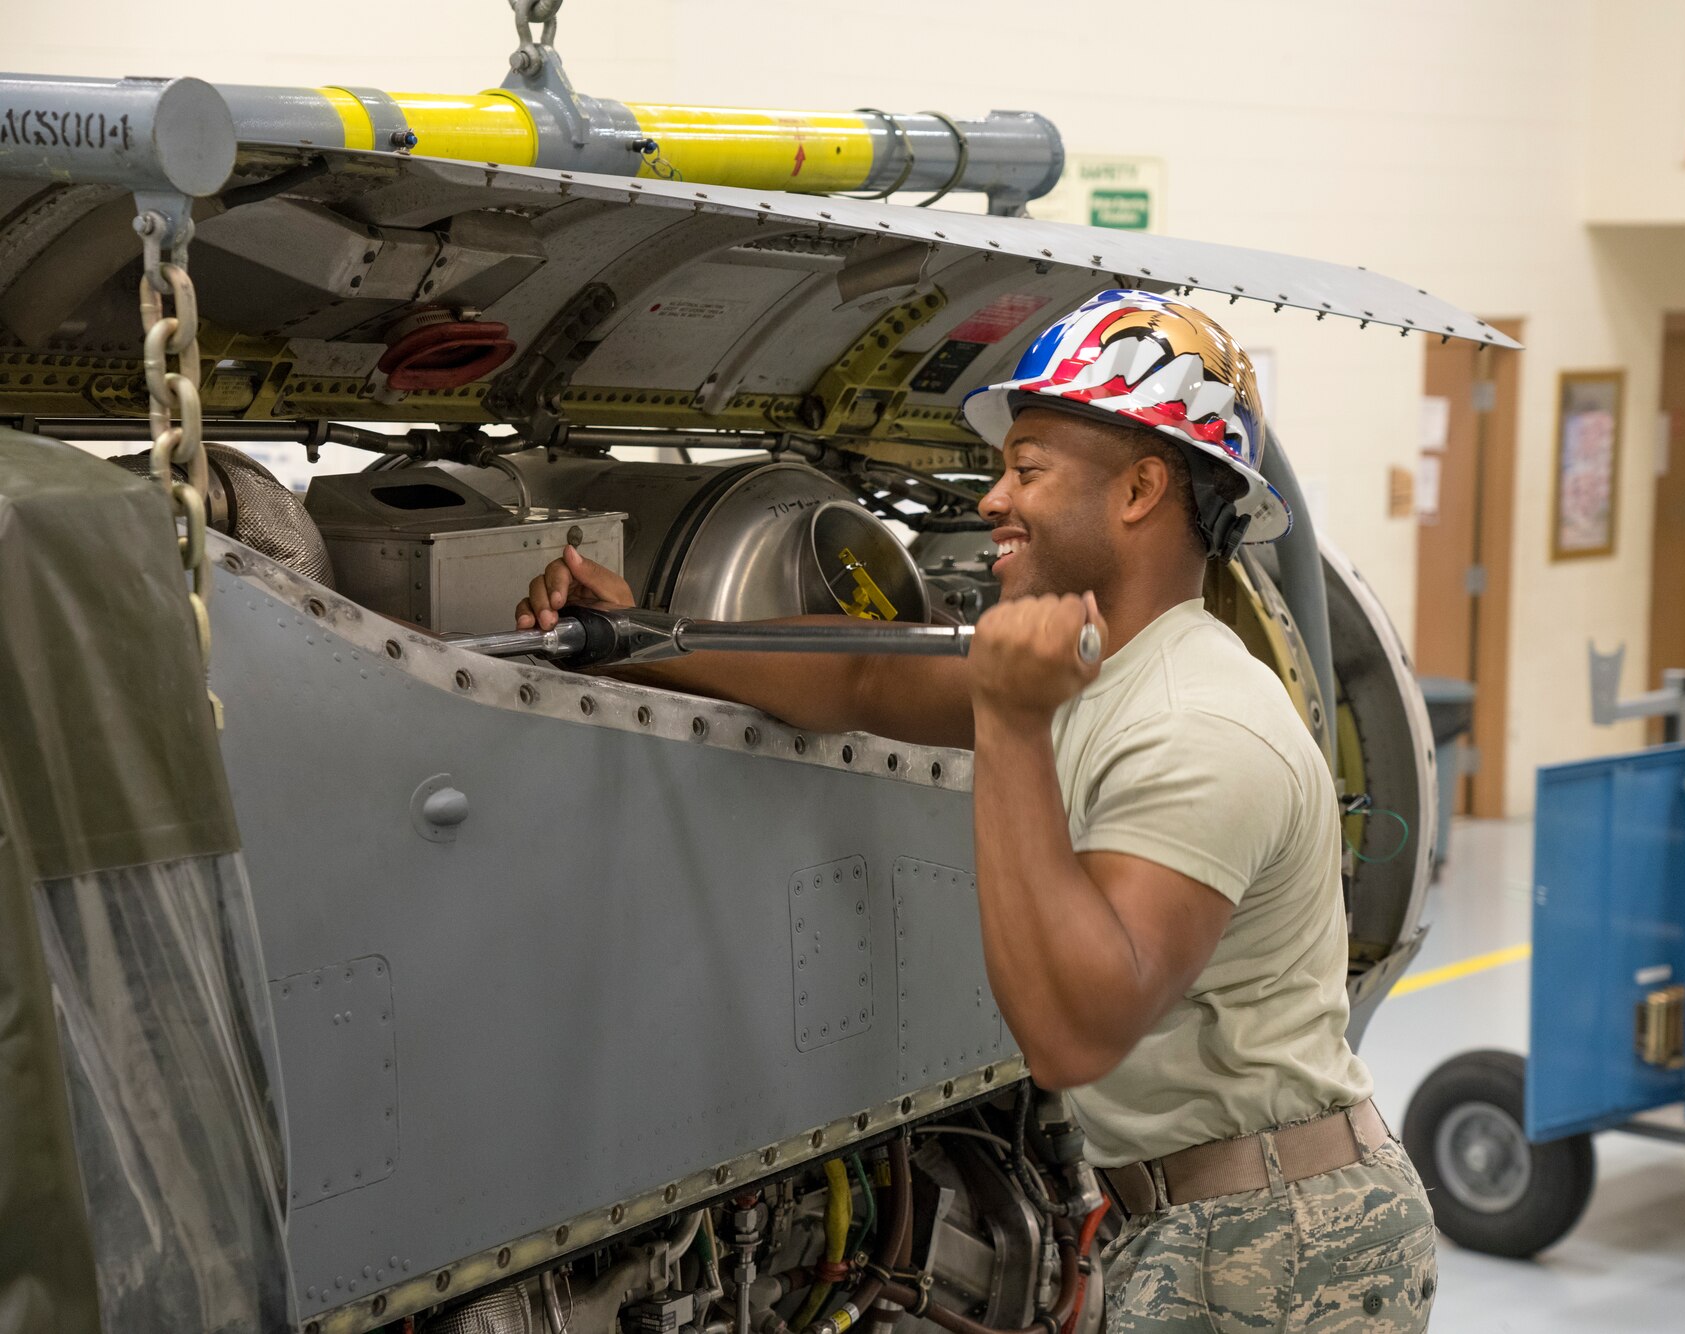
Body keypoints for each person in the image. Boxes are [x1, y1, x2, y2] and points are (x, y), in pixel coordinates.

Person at [517, 290, 1437, 1330]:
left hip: (1272, 1246)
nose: (993, 498)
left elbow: (1071, 1032)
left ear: (1139, 489)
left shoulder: (1196, 726)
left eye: (1028, 468)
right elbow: (862, 683)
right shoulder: (1109, 670)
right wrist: (644, 634)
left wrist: (1006, 722)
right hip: (1193, 1217)